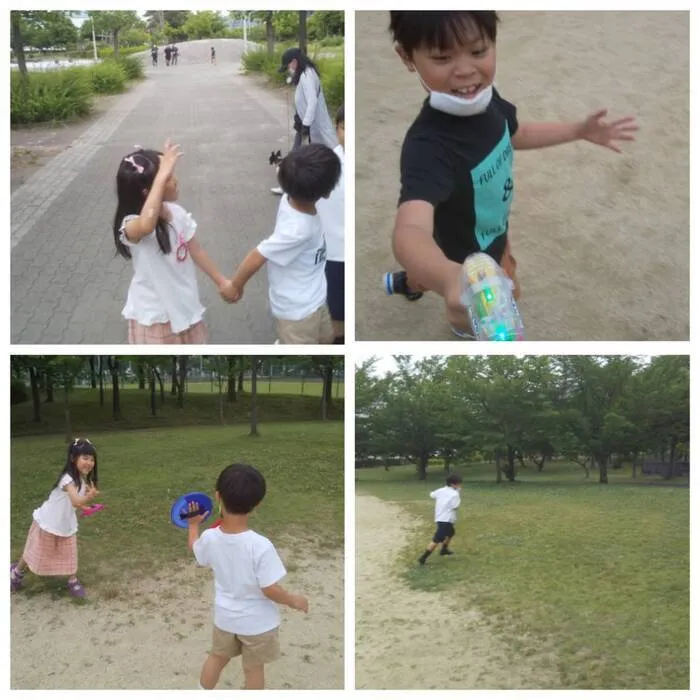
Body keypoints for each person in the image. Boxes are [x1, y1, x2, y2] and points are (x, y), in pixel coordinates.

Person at [384, 11, 639, 338]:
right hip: (468, 262)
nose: (465, 71)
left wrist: (578, 130)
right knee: (478, 310)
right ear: (407, 57)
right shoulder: (428, 147)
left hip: (496, 233)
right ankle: (443, 305)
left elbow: (515, 133)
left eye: (478, 51)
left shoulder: (488, 101)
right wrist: (450, 278)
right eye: (442, 57)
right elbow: (410, 228)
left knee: (491, 274)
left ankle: (410, 281)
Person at [187, 464, 309, 690]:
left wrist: (193, 525)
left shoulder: (211, 538)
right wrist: (293, 599)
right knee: (253, 669)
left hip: (225, 619)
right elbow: (269, 589)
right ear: (257, 504)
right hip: (257, 624)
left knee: (216, 657)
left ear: (218, 496)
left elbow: (196, 549)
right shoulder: (261, 546)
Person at [113, 139, 232, 344]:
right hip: (155, 315)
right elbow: (147, 225)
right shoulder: (132, 225)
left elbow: (197, 250)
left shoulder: (178, 213)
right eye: (168, 178)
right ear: (147, 192)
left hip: (184, 305)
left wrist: (222, 281)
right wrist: (160, 178)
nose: (175, 180)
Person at [223, 144, 341, 344]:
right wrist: (235, 285)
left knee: (326, 339)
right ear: (327, 193)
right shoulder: (298, 231)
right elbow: (258, 255)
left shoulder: (291, 194)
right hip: (297, 312)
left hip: (317, 296)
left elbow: (284, 168)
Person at [10, 438, 101, 598]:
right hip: (48, 523)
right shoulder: (67, 479)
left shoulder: (80, 480)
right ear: (73, 458)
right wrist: (89, 497)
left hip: (65, 524)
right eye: (85, 458)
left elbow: (75, 503)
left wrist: (86, 507)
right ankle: (16, 573)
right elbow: (76, 500)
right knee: (33, 551)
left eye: (92, 459)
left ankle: (73, 581)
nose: (90, 462)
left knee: (71, 554)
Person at [271, 47, 337, 195]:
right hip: (306, 124)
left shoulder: (307, 75)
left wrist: (306, 124)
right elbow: (303, 100)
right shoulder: (304, 73)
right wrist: (299, 118)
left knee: (333, 152)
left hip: (314, 125)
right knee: (297, 155)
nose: (288, 68)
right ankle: (288, 186)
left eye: (288, 65)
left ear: (294, 61)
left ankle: (332, 186)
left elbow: (312, 102)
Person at [316, 105, 345, 344]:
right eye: (343, 128)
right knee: (336, 308)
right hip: (333, 252)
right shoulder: (327, 164)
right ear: (336, 130)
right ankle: (338, 340)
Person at [418, 474, 463, 565]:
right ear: (452, 485)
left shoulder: (441, 490)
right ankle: (423, 557)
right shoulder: (455, 494)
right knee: (437, 539)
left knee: (451, 532)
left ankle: (444, 549)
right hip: (446, 519)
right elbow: (455, 506)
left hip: (439, 517)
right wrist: (457, 493)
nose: (459, 485)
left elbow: (432, 495)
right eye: (458, 484)